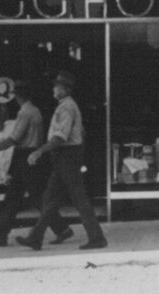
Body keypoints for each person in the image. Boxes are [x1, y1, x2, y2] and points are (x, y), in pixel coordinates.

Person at [16, 71, 108, 251]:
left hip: (67, 155)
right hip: (65, 156)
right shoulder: (66, 106)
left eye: (56, 86)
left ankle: (97, 237)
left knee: (77, 197)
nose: (53, 89)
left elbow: (60, 137)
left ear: (64, 89)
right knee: (50, 198)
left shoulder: (66, 107)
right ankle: (35, 237)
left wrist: (39, 151)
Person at [0, 80, 73, 247]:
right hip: (32, 155)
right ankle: (1, 235)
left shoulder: (25, 113)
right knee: (23, 196)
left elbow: (13, 139)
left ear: (16, 96)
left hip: (24, 156)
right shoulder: (35, 111)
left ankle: (2, 235)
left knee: (25, 197)